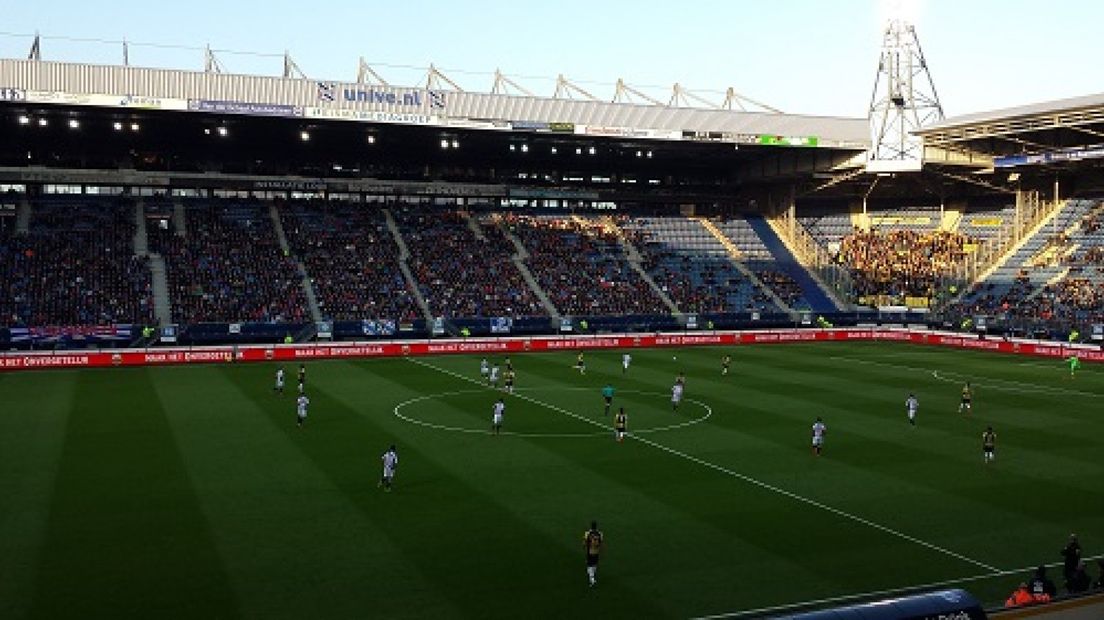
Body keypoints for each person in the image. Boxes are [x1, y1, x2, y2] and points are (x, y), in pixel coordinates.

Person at [583, 521, 603, 587]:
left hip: (590, 551)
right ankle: (593, 577)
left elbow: (585, 542)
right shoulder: (600, 533)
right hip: (596, 552)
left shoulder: (588, 533)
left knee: (589, 565)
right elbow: (601, 543)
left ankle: (592, 579)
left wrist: (584, 547)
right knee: (594, 564)